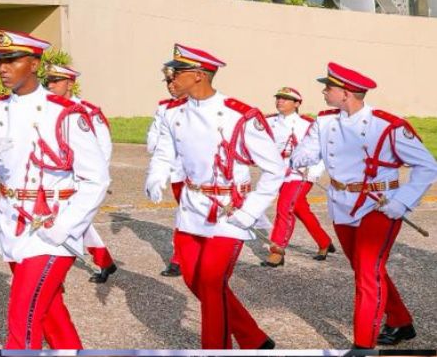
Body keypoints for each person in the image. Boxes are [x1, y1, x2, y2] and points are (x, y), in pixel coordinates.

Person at [0, 32, 108, 350]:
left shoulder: (64, 112)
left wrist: (65, 226)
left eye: (11, 60)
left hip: (51, 225)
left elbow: (96, 178)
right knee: (51, 314)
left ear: (34, 64)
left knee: (22, 318)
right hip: (13, 221)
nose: (2, 68)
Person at [144, 44, 282, 350]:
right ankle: (254, 338)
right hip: (192, 206)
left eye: (177, 72)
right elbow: (164, 151)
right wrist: (156, 175)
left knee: (211, 283)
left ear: (198, 75)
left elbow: (275, 169)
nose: (170, 78)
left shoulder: (239, 115)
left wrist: (250, 212)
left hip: (229, 210)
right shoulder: (172, 113)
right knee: (193, 279)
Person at [290, 63, 437, 349]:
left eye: (328, 88)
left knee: (368, 272)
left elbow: (428, 166)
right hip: (341, 204)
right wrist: (298, 156)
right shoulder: (324, 122)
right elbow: (306, 152)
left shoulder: (387, 125)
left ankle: (362, 346)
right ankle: (400, 321)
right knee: (364, 268)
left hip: (379, 206)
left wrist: (402, 202)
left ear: (345, 93)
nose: (323, 91)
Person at [42, 64, 118, 283]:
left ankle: (57, 271)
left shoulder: (87, 111)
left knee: (72, 221)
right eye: (49, 81)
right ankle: (105, 262)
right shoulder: (48, 108)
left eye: (56, 80)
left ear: (70, 83)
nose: (51, 85)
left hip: (81, 179)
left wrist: (93, 177)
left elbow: (103, 146)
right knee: (75, 221)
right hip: (59, 179)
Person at [261, 87, 334, 267]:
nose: (280, 101)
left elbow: (321, 150)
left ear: (297, 103)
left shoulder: (307, 124)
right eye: (278, 98)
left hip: (300, 172)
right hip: (277, 171)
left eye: (285, 98)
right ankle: (324, 241)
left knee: (284, 207)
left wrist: (314, 173)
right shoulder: (267, 121)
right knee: (299, 208)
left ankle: (277, 250)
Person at [148, 74, 186, 277]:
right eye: (168, 82)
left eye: (174, 81)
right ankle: (180, 258)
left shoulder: (200, 106)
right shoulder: (164, 108)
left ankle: (184, 258)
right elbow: (155, 134)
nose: (171, 86)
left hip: (201, 173)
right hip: (178, 170)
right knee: (184, 214)